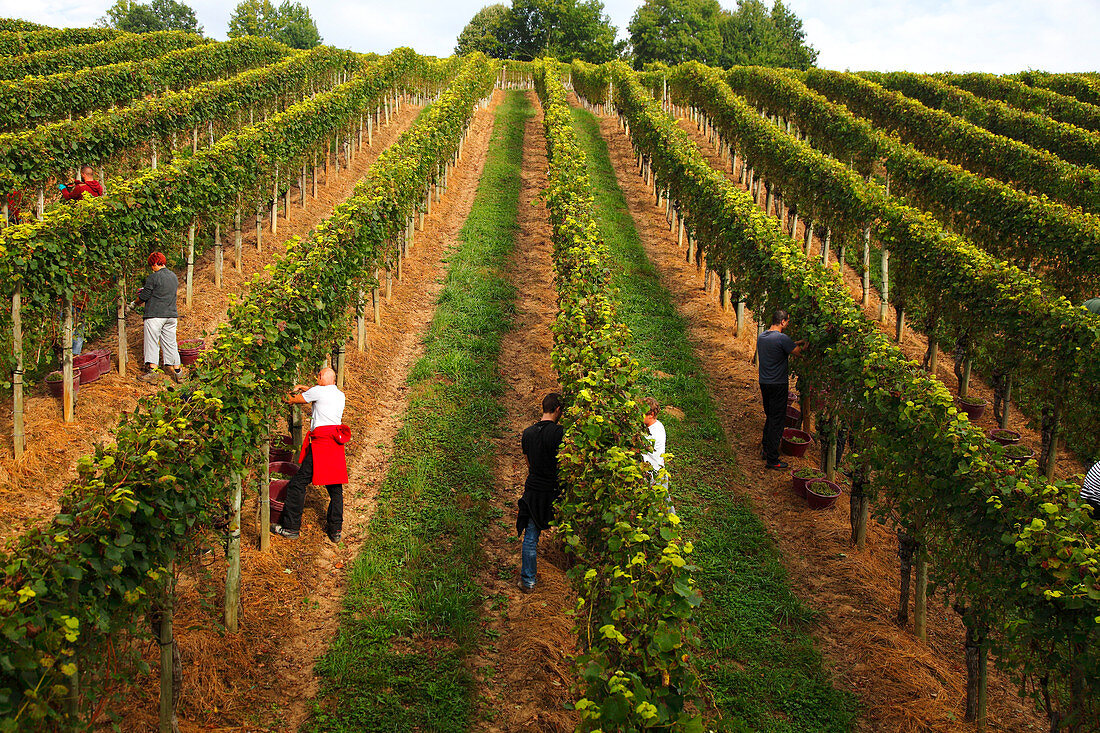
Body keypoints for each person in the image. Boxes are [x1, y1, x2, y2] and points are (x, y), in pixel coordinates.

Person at [272, 368, 350, 542]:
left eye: (319, 375)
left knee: (297, 484)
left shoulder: (318, 391)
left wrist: (278, 394)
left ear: (323, 377)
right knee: (335, 488)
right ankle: (335, 529)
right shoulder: (339, 394)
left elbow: (292, 400)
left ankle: (291, 527)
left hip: (321, 445)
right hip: (335, 445)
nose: (316, 377)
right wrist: (306, 388)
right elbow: (320, 393)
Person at [516, 392, 564, 593]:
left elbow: (529, 464)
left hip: (534, 489)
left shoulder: (527, 433)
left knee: (530, 537)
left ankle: (528, 581)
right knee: (569, 528)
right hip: (555, 489)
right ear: (558, 410)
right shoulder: (560, 433)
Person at [58, 167, 104, 356]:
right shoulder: (98, 188)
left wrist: (63, 188)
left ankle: (69, 353)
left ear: (84, 175)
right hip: (93, 224)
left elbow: (69, 197)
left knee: (70, 323)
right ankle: (75, 352)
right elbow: (85, 187)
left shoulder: (81, 189)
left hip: (80, 223)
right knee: (80, 324)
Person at [758, 309, 806, 470]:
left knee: (770, 416)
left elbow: (785, 345)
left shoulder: (763, 336)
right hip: (778, 384)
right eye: (787, 322)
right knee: (778, 421)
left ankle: (766, 448)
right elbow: (798, 353)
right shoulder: (782, 339)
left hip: (764, 383)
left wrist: (795, 342)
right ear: (783, 321)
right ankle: (772, 459)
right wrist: (805, 345)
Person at [132, 251, 182, 383]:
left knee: (152, 341)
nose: (151, 268)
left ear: (155, 263)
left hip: (155, 315)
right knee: (170, 342)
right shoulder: (173, 276)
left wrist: (133, 304)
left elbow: (144, 297)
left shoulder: (153, 277)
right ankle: (178, 371)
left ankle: (152, 371)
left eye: (151, 265)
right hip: (171, 315)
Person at [642, 396, 675, 514]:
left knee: (658, 504)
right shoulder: (656, 425)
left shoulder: (653, 432)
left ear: (651, 414)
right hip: (656, 471)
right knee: (663, 500)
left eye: (642, 414)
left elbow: (639, 447)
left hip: (654, 473)